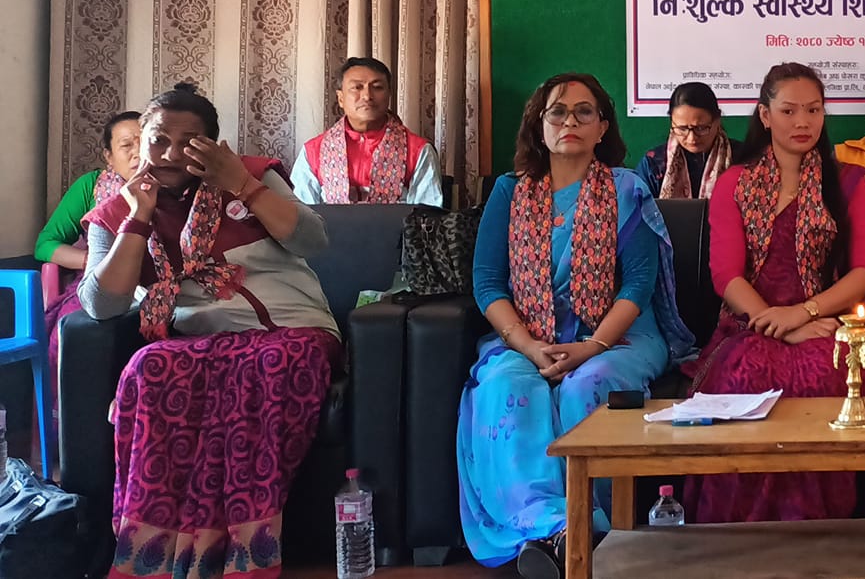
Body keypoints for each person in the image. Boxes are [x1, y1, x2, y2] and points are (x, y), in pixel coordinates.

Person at [77, 83, 339, 579]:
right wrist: (139, 219)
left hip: (289, 332)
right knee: (148, 366)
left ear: (212, 146)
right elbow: (101, 305)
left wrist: (242, 184)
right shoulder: (113, 213)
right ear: (141, 140)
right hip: (199, 342)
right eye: (158, 140)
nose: (170, 154)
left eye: (188, 142)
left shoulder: (254, 175)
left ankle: (245, 553)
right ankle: (153, 555)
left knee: (271, 362)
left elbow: (314, 240)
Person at [456, 73, 695, 579]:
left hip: (619, 335)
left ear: (602, 126)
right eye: (558, 112)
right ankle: (553, 529)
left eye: (584, 112)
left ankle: (599, 530)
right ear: (539, 125)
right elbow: (488, 284)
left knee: (588, 387)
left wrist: (593, 345)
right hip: (526, 335)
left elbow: (639, 284)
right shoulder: (509, 192)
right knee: (506, 386)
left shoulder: (626, 189)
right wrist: (528, 345)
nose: (570, 121)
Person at [683, 62, 865, 523]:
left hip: (827, 324)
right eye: (789, 110)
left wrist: (804, 313)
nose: (802, 122)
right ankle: (738, 532)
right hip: (748, 326)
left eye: (813, 110)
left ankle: (813, 530)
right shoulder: (734, 183)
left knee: (822, 378)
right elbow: (726, 276)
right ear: (765, 115)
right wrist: (778, 323)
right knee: (748, 378)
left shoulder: (849, 182)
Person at [36, 110, 140, 367]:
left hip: (158, 285)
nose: (138, 152)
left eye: (146, 142)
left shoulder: (173, 187)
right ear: (109, 156)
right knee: (77, 332)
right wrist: (96, 260)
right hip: (100, 283)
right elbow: (46, 245)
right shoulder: (91, 187)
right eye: (127, 145)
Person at [290, 56, 445, 206]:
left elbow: (427, 215)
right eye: (357, 87)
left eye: (377, 87)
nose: (367, 96)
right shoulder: (313, 151)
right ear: (341, 98)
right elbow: (300, 215)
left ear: (389, 95)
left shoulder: (418, 150)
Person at [635, 81, 731, 199]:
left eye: (700, 128)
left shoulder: (742, 159)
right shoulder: (653, 164)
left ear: (717, 121)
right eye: (682, 129)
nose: (692, 138)